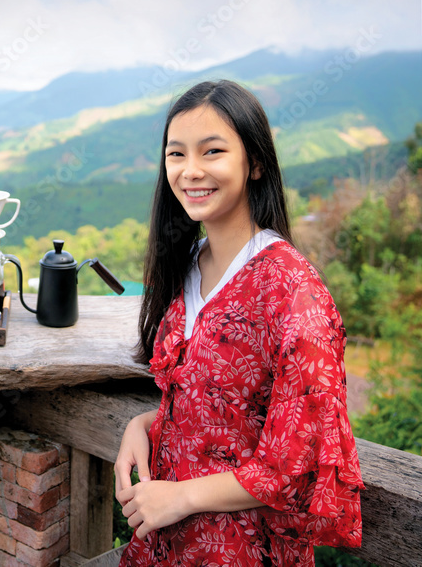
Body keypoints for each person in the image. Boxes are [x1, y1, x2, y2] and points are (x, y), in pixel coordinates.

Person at [114, 80, 364, 566]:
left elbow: (298, 462)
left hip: (245, 550)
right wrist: (142, 424)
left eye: (212, 152)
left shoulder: (292, 293)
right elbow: (218, 408)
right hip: (166, 544)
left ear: (255, 163)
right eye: (176, 154)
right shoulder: (187, 263)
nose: (190, 171)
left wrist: (181, 497)